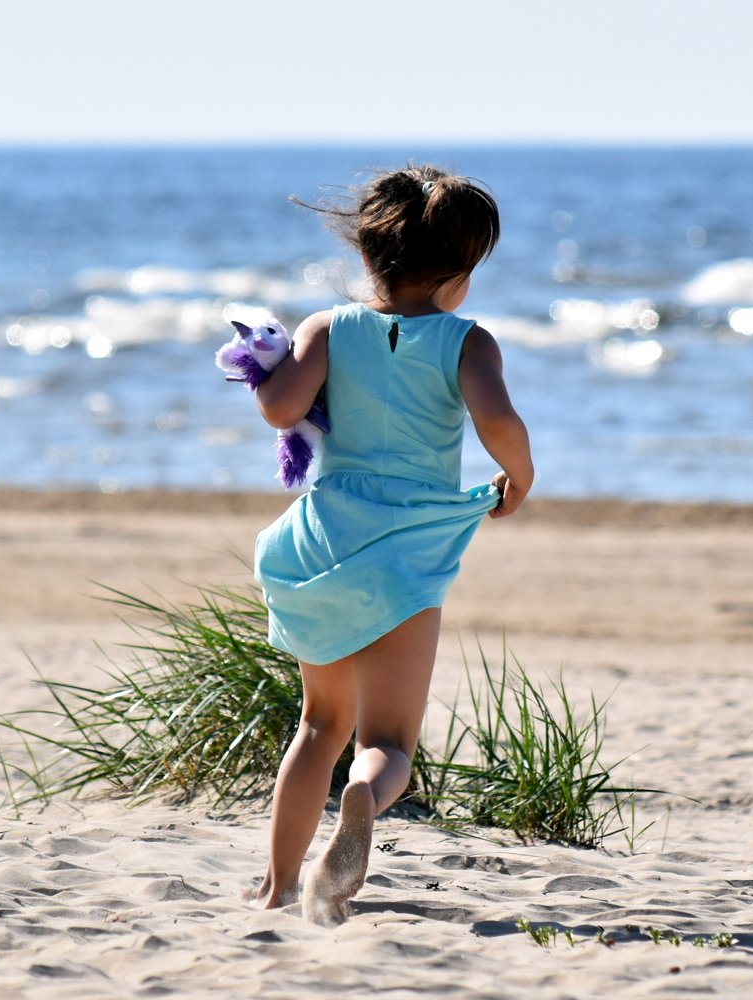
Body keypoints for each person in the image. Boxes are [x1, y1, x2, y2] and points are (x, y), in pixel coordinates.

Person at [250, 164, 534, 925]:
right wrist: (520, 476)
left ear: (370, 255)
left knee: (318, 726)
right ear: (462, 274)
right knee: (389, 741)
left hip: (323, 540)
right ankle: (367, 797)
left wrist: (268, 365)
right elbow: (497, 423)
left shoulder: (328, 328)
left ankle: (277, 888)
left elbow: (281, 410)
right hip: (404, 551)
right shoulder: (466, 342)